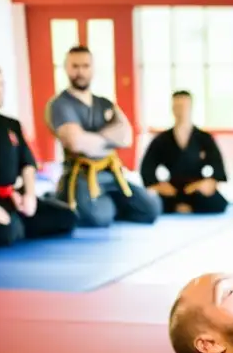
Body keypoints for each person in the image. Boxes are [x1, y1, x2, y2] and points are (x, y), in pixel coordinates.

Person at [48, 45, 162, 228]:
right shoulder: (60, 104)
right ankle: (58, 197)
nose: (80, 72)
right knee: (98, 218)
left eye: (85, 66)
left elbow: (126, 137)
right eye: (75, 66)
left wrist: (91, 139)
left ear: (92, 68)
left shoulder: (104, 103)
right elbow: (76, 142)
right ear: (67, 69)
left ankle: (110, 202)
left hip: (110, 173)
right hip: (81, 176)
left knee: (151, 209)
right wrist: (109, 139)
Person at [0, 64, 76, 246]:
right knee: (4, 232)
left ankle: (18, 224)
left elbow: (27, 163)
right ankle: (15, 226)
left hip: (13, 197)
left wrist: (29, 195)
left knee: (67, 217)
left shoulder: (11, 124)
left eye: (0, 85)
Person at [140, 90, 229, 215]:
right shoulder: (162, 140)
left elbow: (218, 168)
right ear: (172, 108)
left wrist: (209, 183)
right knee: (150, 204)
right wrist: (158, 186)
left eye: (184, 106)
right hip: (172, 189)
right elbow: (147, 168)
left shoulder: (204, 138)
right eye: (177, 106)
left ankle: (186, 207)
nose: (180, 111)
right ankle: (179, 207)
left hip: (196, 187)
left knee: (218, 203)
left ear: (191, 108)